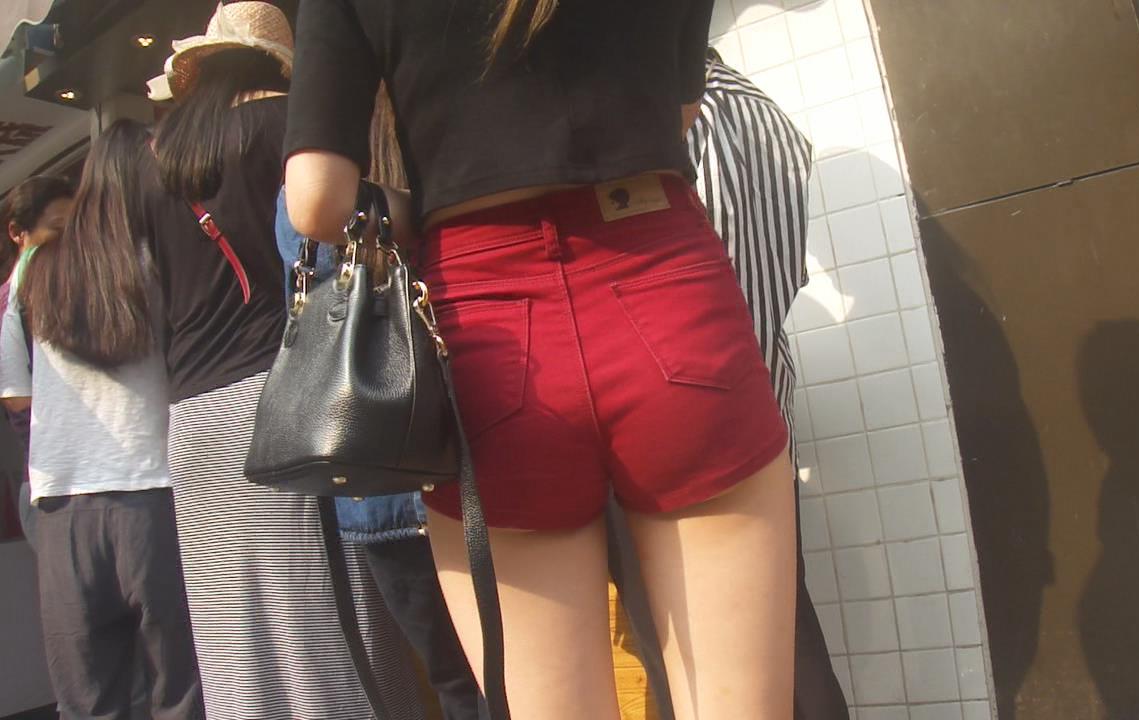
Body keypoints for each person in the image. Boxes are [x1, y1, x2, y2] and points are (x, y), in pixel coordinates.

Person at [285, 2, 797, 718]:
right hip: (665, 285)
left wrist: (429, 203)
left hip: (486, 331)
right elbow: (676, 112)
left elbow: (316, 200)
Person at [144, 4, 421, 718]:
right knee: (333, 627)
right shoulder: (288, 134)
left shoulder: (157, 164)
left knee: (238, 640)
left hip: (194, 423)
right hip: (289, 399)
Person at [609, 49, 852, 720]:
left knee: (700, 668)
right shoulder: (766, 115)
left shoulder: (674, 123)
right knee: (784, 650)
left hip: (687, 426)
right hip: (759, 416)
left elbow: (687, 294)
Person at [275, 86, 483, 720]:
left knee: (454, 684)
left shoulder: (301, 203)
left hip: (372, 477)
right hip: (473, 455)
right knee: (520, 672)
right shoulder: (452, 177)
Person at [0, 120, 204, 720]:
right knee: (180, 687)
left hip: (62, 501)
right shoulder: (158, 257)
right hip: (154, 491)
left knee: (88, 697)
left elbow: (14, 392)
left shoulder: (34, 270)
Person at [0, 174, 72, 539]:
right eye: (57, 229)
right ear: (17, 233)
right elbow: (18, 401)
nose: (68, 242)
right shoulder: (9, 304)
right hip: (53, 488)